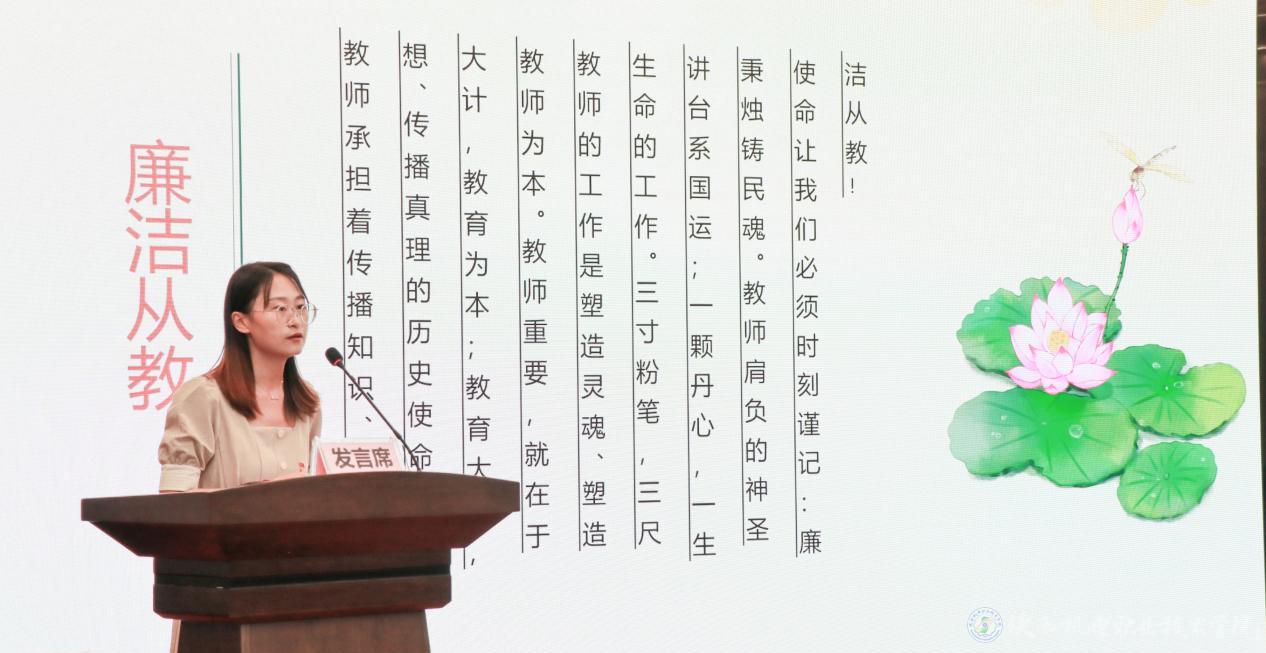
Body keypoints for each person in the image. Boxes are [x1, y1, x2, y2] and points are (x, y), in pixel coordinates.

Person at [158, 261, 322, 492]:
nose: (295, 321)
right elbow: (174, 498)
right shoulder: (203, 397)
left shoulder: (307, 402)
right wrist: (266, 494)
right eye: (280, 309)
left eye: (300, 307)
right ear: (241, 322)